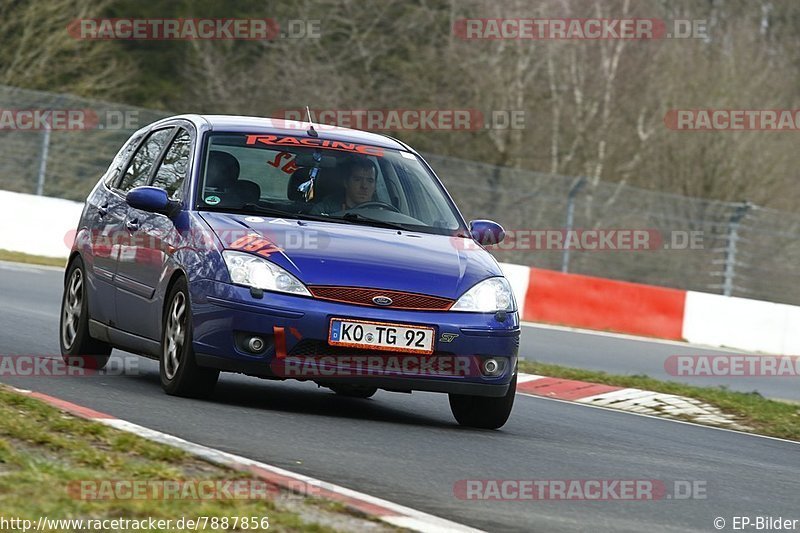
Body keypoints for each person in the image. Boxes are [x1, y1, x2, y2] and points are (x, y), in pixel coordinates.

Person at [311, 157, 377, 215]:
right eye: (357, 179)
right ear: (346, 182)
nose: (364, 186)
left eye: (370, 181)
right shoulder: (324, 211)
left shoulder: (382, 213)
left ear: (375, 185)